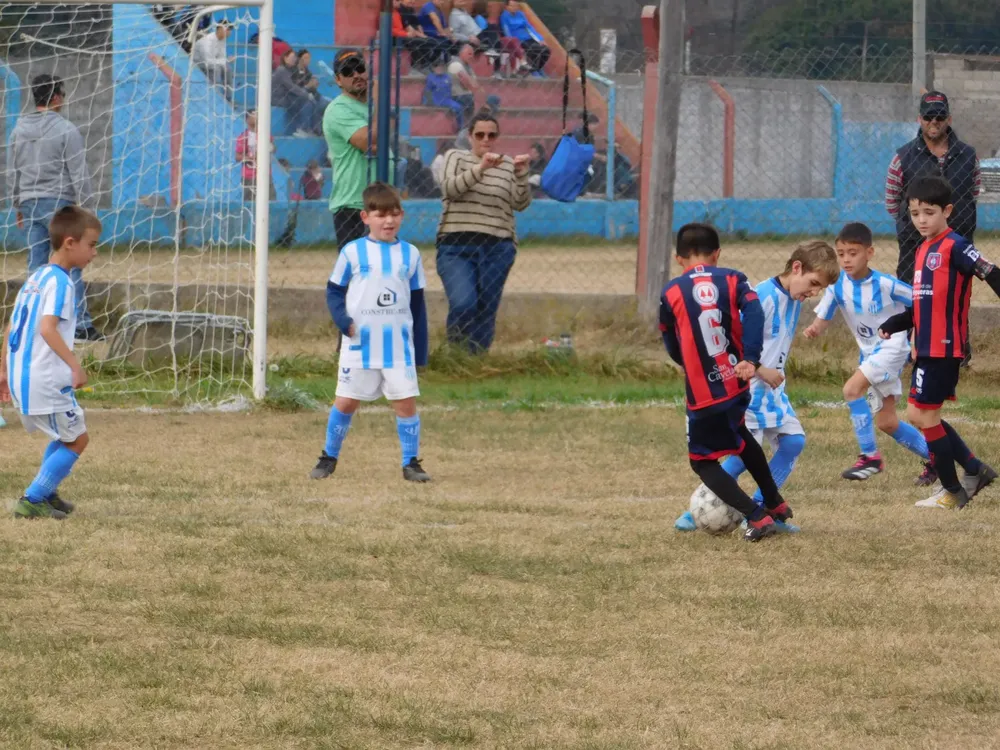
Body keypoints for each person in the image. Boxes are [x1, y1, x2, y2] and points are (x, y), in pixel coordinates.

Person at [674, 240, 838, 534]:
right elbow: (727, 342)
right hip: (748, 389)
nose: (814, 292)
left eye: (820, 289)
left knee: (793, 442)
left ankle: (764, 508)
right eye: (813, 283)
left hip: (772, 392)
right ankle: (701, 508)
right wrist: (761, 369)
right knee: (743, 453)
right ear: (797, 267)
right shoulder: (760, 297)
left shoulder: (793, 299)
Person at [659, 223, 794, 542]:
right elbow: (755, 312)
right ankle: (775, 502)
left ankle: (756, 516)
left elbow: (669, 339)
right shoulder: (733, 279)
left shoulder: (671, 291)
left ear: (679, 258)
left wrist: (687, 364)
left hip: (704, 394)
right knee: (741, 436)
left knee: (702, 461)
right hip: (736, 385)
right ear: (717, 254)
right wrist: (749, 358)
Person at [878, 176, 1000, 510]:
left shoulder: (956, 246)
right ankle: (975, 469)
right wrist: (897, 322)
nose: (921, 220)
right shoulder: (922, 249)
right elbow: (922, 303)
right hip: (926, 347)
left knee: (924, 417)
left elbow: (990, 272)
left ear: (947, 210)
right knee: (920, 415)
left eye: (928, 212)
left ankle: (952, 491)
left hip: (945, 347)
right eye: (915, 213)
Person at [310, 182, 431, 483]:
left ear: (402, 215)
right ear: (365, 217)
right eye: (380, 215)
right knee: (346, 401)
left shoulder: (411, 255)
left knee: (405, 403)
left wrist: (421, 347)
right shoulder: (352, 252)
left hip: (398, 349)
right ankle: (328, 457)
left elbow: (417, 303)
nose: (388, 221)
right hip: (360, 344)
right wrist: (342, 320)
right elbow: (334, 291)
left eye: (394, 214)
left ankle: (411, 463)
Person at [804, 222, 934, 485]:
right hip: (869, 354)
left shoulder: (886, 284)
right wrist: (815, 329)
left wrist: (915, 338)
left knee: (852, 390)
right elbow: (823, 316)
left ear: (869, 253)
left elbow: (922, 305)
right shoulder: (836, 286)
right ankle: (938, 460)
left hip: (892, 347)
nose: (846, 259)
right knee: (887, 422)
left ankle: (870, 456)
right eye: (841, 254)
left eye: (853, 253)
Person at [0, 206, 101, 519]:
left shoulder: (37, 278)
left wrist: (3, 370)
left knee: (65, 436)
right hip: (43, 378)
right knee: (77, 439)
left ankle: (46, 492)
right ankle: (32, 499)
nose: (94, 253)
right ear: (70, 243)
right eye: (92, 245)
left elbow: (10, 325)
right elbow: (46, 328)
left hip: (23, 376)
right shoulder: (60, 283)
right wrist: (75, 365)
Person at [885, 91, 979, 366]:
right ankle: (906, 352)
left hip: (957, 240)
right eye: (928, 117)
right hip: (914, 245)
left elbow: (972, 191)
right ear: (919, 119)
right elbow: (892, 201)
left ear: (948, 118)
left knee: (955, 295)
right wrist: (916, 224)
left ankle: (958, 352)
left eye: (939, 117)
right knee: (910, 295)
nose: (934, 122)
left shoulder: (968, 155)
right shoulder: (902, 157)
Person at [7, 74, 101, 342]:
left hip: (29, 201)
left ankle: (33, 321)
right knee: (71, 264)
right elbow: (79, 172)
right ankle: (81, 325)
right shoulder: (65, 129)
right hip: (59, 204)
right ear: (57, 97)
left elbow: (13, 171)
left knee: (36, 266)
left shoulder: (18, 130)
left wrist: (18, 204)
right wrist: (89, 208)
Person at [436, 113, 532, 352]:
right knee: (463, 303)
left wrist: (521, 175)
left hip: (497, 245)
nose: (486, 140)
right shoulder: (455, 157)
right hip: (456, 245)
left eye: (492, 135)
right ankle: (456, 354)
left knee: (486, 307)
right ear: (470, 137)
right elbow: (450, 189)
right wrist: (481, 168)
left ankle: (476, 361)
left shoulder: (507, 164)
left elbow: (520, 203)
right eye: (480, 135)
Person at [324, 49, 385, 248]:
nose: (356, 74)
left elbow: (382, 142)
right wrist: (379, 104)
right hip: (353, 205)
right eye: (348, 71)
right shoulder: (338, 109)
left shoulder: (372, 108)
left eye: (360, 68)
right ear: (338, 80)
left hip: (381, 202)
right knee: (358, 274)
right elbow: (370, 141)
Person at [273, 49, 321, 136]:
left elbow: (299, 83)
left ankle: (315, 130)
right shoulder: (281, 70)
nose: (294, 59)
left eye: (294, 58)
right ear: (285, 58)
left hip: (289, 96)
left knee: (315, 102)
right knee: (307, 103)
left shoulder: (292, 70)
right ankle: (303, 129)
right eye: (291, 57)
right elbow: (291, 87)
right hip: (279, 98)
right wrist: (306, 94)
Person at [235, 109, 275, 201]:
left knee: (270, 200)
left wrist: (269, 147)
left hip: (265, 174)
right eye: (253, 115)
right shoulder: (243, 137)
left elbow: (273, 148)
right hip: (249, 176)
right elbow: (237, 157)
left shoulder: (265, 135)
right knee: (251, 202)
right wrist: (249, 158)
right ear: (247, 120)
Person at [500, 0, 549, 73]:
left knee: (546, 50)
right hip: (519, 40)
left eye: (516, 6)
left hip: (529, 38)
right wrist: (513, 42)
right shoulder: (504, 16)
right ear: (507, 7)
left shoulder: (521, 14)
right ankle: (533, 71)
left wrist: (540, 39)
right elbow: (506, 31)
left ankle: (537, 69)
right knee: (534, 50)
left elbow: (529, 27)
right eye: (512, 6)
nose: (515, 8)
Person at [192, 21, 233, 98]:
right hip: (198, 64)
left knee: (228, 69)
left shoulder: (222, 40)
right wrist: (225, 61)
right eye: (228, 30)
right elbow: (208, 61)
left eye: (230, 30)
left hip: (211, 62)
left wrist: (225, 61)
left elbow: (222, 57)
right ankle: (213, 95)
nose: (229, 32)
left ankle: (228, 98)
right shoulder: (208, 41)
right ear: (220, 29)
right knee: (216, 69)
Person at [422, 59, 465, 132]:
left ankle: (460, 127)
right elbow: (427, 90)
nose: (439, 69)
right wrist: (426, 101)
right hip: (436, 100)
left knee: (459, 107)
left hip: (447, 100)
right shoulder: (431, 77)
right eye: (437, 67)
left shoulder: (447, 77)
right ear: (434, 68)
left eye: (441, 67)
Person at [447, 44, 479, 127]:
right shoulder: (455, 63)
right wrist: (471, 84)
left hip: (467, 94)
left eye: (472, 54)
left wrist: (471, 84)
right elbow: (466, 84)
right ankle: (466, 128)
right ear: (462, 53)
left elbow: (475, 84)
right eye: (469, 54)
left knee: (493, 99)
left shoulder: (468, 66)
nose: (472, 56)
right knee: (469, 99)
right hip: (455, 95)